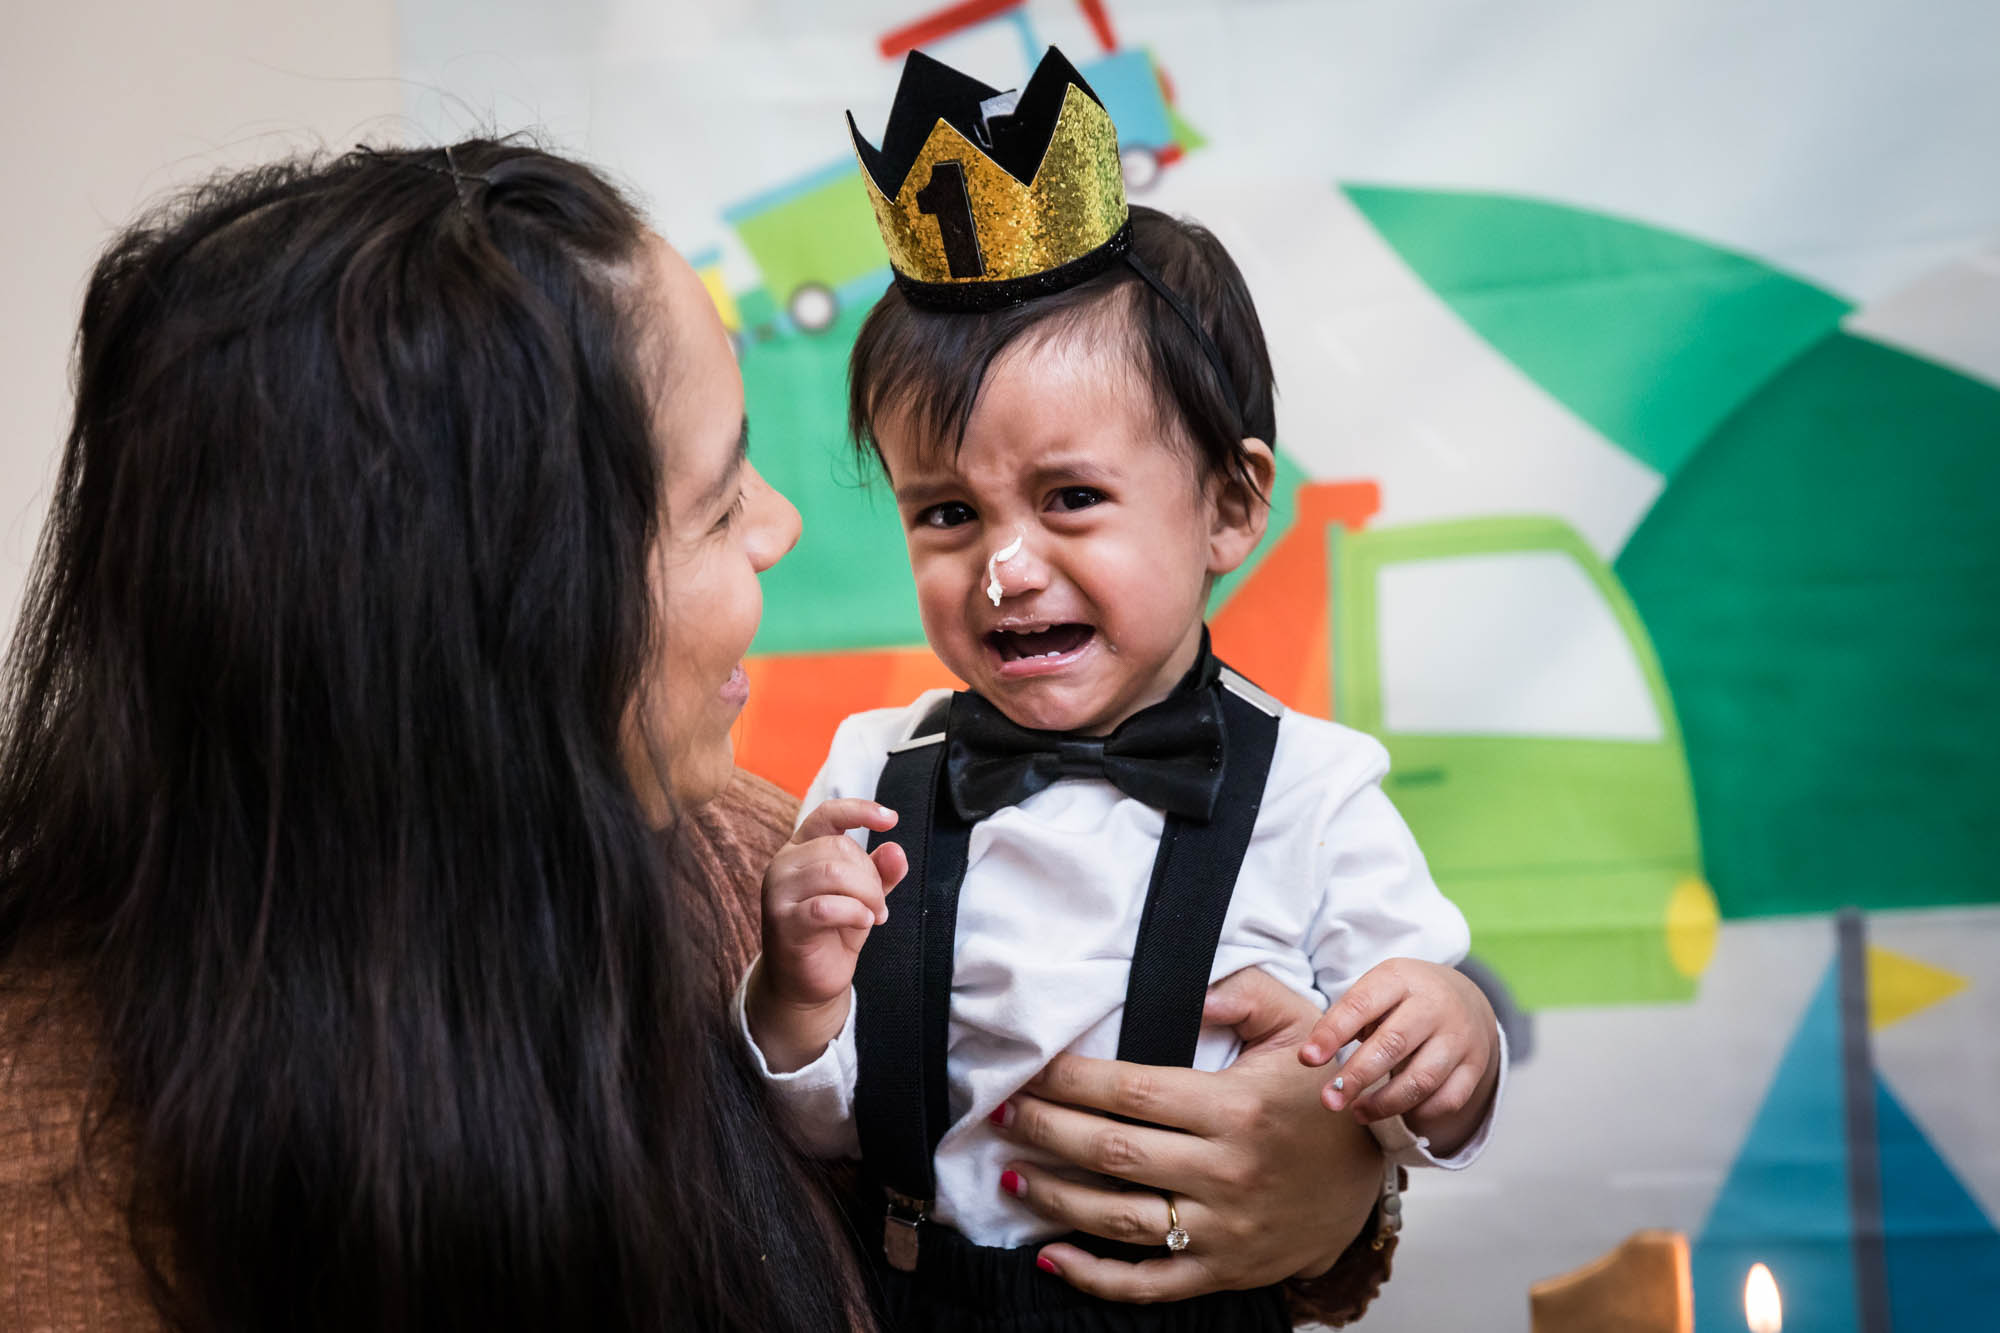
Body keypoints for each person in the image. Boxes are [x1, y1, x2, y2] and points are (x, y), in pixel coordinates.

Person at [0, 138, 1395, 1331]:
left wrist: (1319, 1194)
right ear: (500, 615)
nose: (786, 529)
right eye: (723, 504)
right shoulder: (55, 1174)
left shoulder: (748, 868)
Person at [742, 50, 1507, 1331]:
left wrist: (1451, 1046)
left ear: (1228, 503)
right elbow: (813, 1128)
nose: (1004, 567)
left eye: (1070, 498)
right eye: (944, 512)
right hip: (918, 1299)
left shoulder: (1312, 787)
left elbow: (1408, 1068)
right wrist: (796, 993)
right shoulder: (870, 771)